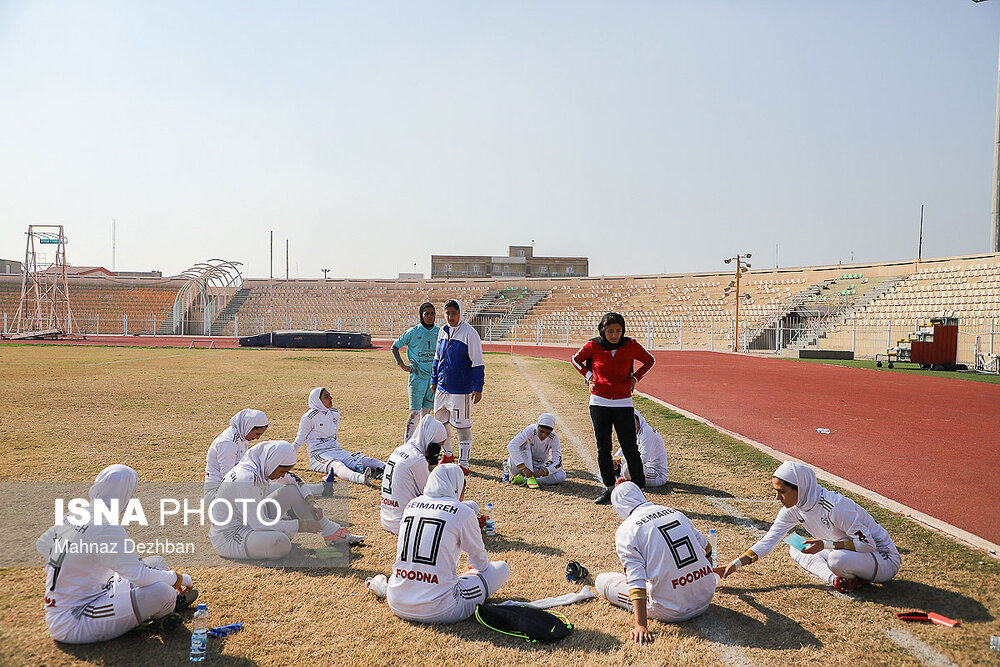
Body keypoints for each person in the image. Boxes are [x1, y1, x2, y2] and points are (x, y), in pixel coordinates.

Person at [36, 465, 198, 644]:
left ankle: (152, 612)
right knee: (162, 592)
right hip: (76, 618)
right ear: (124, 494)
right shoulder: (105, 525)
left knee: (156, 562)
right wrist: (180, 579)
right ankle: (158, 614)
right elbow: (140, 576)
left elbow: (43, 545)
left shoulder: (74, 513)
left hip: (83, 597)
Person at [717, 461, 901, 593]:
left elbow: (869, 545)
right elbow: (769, 541)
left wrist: (827, 545)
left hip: (882, 558)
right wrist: (735, 564)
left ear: (801, 488)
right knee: (795, 544)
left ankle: (851, 576)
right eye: (775, 491)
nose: (777, 498)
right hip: (851, 553)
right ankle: (838, 581)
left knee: (836, 559)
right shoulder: (795, 507)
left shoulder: (836, 507)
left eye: (782, 492)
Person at [594, 483, 716, 644]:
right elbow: (707, 548)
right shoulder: (675, 513)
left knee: (602, 581)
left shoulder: (626, 530)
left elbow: (636, 579)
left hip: (671, 610)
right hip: (706, 597)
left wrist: (640, 625)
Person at [387, 464, 509, 624]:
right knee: (501, 568)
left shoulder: (412, 505)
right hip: (440, 609)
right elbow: (480, 564)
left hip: (396, 601)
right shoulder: (462, 512)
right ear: (458, 487)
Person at [209, 441, 362, 560]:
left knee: (292, 491)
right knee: (281, 543)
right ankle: (275, 537)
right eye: (282, 471)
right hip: (231, 535)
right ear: (272, 462)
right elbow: (258, 523)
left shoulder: (260, 464)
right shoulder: (246, 478)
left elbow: (295, 479)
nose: (283, 476)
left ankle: (330, 532)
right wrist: (300, 525)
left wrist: (311, 502)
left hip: (252, 520)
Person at [571, 312, 655, 504]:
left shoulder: (630, 345)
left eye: (618, 330)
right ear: (602, 330)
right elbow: (575, 359)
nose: (614, 335)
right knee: (604, 448)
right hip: (599, 402)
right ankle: (609, 487)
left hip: (623, 402)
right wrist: (589, 375)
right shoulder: (594, 345)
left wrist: (635, 378)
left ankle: (639, 489)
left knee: (630, 447)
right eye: (610, 331)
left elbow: (650, 360)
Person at [431, 300, 485, 474]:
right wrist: (434, 380)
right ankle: (447, 454)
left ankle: (464, 463)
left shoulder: (470, 333)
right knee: (440, 423)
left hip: (460, 389)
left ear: (460, 313)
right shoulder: (442, 331)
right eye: (447, 313)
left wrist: (478, 387)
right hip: (442, 387)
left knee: (462, 426)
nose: (450, 317)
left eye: (453, 313)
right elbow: (437, 358)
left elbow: (477, 362)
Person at [294, 387, 385, 487]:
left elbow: (334, 435)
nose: (330, 398)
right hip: (318, 454)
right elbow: (299, 440)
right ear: (317, 400)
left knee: (362, 459)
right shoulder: (309, 417)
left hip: (336, 450)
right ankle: (360, 478)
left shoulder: (334, 412)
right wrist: (284, 456)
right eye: (326, 396)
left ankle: (388, 467)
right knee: (337, 466)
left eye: (329, 395)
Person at [380, 414, 447, 534]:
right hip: (404, 524)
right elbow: (432, 494)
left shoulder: (400, 449)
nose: (439, 451)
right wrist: (431, 464)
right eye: (439, 446)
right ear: (430, 439)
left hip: (387, 519)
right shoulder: (417, 460)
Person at [391, 302, 440, 441]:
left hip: (433, 379)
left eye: (432, 313)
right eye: (426, 314)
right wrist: (402, 365)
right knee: (414, 413)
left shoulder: (439, 332)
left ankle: (423, 444)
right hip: (417, 378)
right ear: (421, 315)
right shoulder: (413, 332)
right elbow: (395, 347)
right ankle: (408, 445)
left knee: (427, 414)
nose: (430, 316)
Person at [204, 408, 269, 504]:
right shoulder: (228, 442)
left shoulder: (242, 436)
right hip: (217, 494)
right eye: (257, 434)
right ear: (248, 426)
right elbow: (228, 476)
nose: (257, 438)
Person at [505, 413, 565, 488]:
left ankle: (525, 479)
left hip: (538, 467)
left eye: (548, 433)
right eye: (542, 431)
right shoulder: (530, 430)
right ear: (537, 426)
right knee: (524, 444)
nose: (544, 435)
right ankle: (529, 478)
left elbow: (558, 462)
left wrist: (544, 471)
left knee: (561, 475)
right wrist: (524, 468)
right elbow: (512, 446)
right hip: (519, 466)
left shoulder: (554, 437)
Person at [615, 409, 669, 488]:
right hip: (645, 469)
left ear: (638, 419)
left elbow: (643, 459)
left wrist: (620, 460)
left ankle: (624, 479)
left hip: (657, 474)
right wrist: (614, 459)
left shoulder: (647, 432)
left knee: (629, 468)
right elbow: (624, 449)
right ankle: (622, 478)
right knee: (612, 463)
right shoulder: (633, 432)